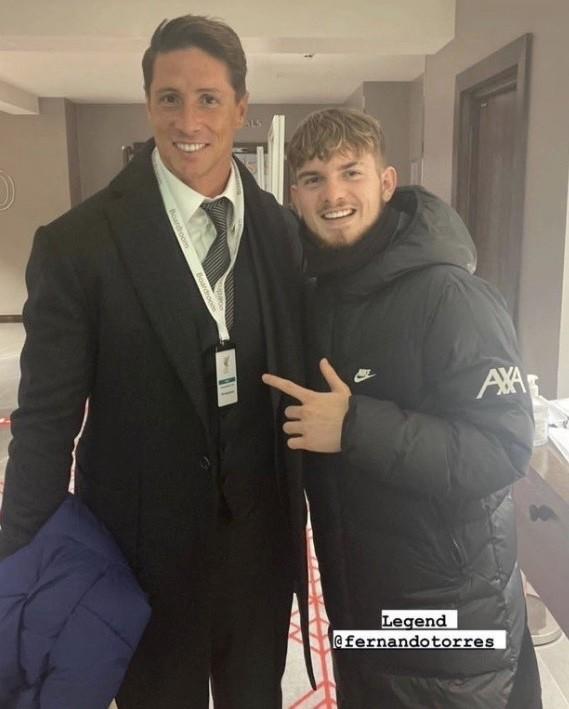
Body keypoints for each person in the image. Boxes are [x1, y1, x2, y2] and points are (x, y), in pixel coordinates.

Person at [0, 15, 314, 708]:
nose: (187, 120)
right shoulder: (79, 244)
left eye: (208, 98)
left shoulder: (280, 231)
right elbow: (46, 423)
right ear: (148, 103)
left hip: (259, 554)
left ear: (240, 107)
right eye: (169, 97)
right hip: (138, 561)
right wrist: (19, 565)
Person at [263, 107, 542, 708]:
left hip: (448, 617)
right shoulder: (321, 294)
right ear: (295, 197)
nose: (333, 194)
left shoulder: (452, 295)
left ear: (386, 182)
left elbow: (503, 449)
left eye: (351, 172)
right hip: (360, 597)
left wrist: (355, 426)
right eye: (313, 179)